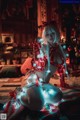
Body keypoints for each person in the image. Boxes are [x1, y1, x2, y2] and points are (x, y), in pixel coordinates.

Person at [32, 22, 68, 87]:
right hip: (43, 71)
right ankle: (44, 84)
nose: (50, 36)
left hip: (52, 68)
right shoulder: (44, 46)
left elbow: (62, 63)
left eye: (52, 34)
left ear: (56, 33)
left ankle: (59, 82)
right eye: (47, 35)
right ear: (44, 36)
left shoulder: (59, 46)